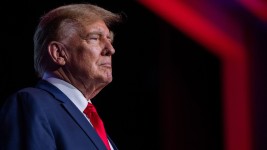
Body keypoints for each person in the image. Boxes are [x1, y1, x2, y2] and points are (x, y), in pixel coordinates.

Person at [0, 3, 122, 150]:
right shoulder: (32, 103)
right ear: (58, 53)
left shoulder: (91, 121)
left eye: (109, 39)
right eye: (95, 38)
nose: (111, 49)